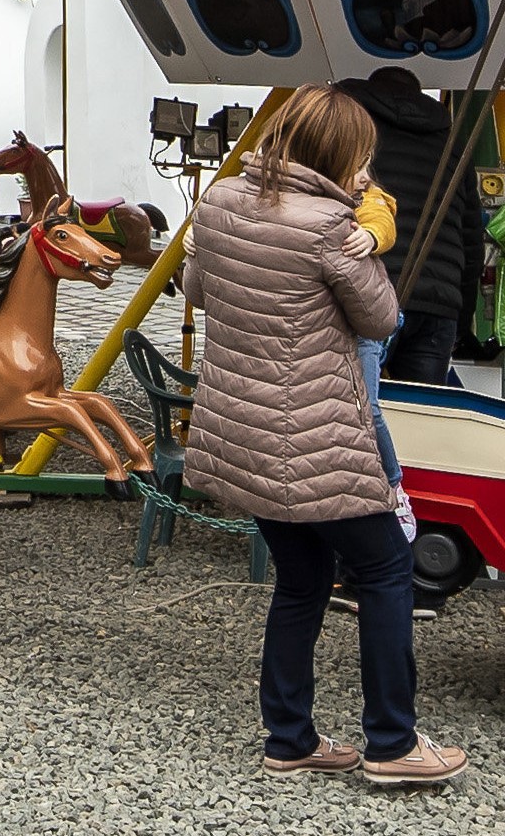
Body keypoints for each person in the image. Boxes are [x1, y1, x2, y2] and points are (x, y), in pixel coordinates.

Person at [185, 84, 461, 789]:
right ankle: (392, 742)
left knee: (302, 578)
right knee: (388, 566)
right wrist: (357, 248)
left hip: (242, 433)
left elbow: (195, 286)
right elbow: (381, 317)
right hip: (317, 436)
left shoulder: (217, 203)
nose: (365, 173)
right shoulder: (330, 228)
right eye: (360, 159)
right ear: (332, 156)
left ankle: (290, 737)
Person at [347, 65, 481, 388]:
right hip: (438, 303)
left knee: (360, 405)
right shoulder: (452, 145)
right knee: (423, 412)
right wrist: (461, 321)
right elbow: (473, 240)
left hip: (373, 296)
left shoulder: (354, 135)